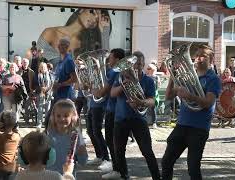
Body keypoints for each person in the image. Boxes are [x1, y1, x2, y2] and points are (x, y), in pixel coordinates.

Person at [161, 44, 221, 180]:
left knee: (193, 168)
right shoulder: (187, 75)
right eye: (197, 55)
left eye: (203, 56)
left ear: (211, 59)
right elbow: (168, 96)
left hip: (199, 129)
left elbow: (208, 103)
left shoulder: (214, 79)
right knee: (166, 162)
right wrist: (173, 76)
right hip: (182, 124)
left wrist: (189, 96)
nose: (198, 58)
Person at [110, 51, 160, 180]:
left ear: (143, 64)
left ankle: (156, 177)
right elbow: (112, 94)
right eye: (135, 64)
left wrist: (141, 102)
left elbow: (152, 101)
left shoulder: (148, 80)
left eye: (140, 64)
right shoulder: (121, 77)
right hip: (121, 119)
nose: (137, 66)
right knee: (119, 152)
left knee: (147, 151)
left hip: (139, 119)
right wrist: (123, 86)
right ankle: (124, 176)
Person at [37, 9, 111, 67]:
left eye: (97, 20)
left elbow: (102, 67)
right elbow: (37, 63)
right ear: (82, 10)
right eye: (92, 12)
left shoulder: (87, 46)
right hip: (51, 84)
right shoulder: (50, 33)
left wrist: (104, 33)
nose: (94, 19)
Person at [96, 48, 125, 179]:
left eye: (111, 58)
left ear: (117, 59)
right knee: (113, 141)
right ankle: (116, 168)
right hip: (113, 109)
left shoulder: (114, 71)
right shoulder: (117, 71)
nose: (109, 60)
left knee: (111, 141)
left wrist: (94, 90)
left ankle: (117, 170)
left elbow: (104, 91)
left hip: (113, 111)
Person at [46, 99, 88, 176]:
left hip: (67, 175)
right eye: (58, 116)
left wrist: (82, 152)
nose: (62, 119)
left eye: (66, 116)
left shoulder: (75, 137)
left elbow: (83, 162)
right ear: (53, 117)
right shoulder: (48, 135)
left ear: (72, 117)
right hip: (50, 175)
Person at [53, 37, 77, 102]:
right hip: (58, 95)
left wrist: (60, 85)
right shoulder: (60, 61)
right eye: (58, 45)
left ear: (66, 46)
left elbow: (74, 79)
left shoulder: (68, 61)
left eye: (61, 44)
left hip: (66, 97)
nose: (58, 46)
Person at [36, 62, 53, 128]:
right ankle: (39, 123)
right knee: (40, 109)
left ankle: (47, 123)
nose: (43, 68)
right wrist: (41, 88)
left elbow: (52, 83)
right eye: (41, 67)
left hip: (48, 93)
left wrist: (47, 89)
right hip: (40, 93)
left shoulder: (50, 74)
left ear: (46, 68)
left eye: (44, 67)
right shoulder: (37, 75)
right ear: (39, 68)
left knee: (47, 109)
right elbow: (35, 84)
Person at [146, 63, 160, 128]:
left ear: (153, 70)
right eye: (147, 68)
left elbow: (158, 86)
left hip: (153, 94)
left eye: (149, 69)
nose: (147, 70)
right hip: (146, 94)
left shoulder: (156, 77)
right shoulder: (146, 77)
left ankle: (154, 122)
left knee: (153, 109)